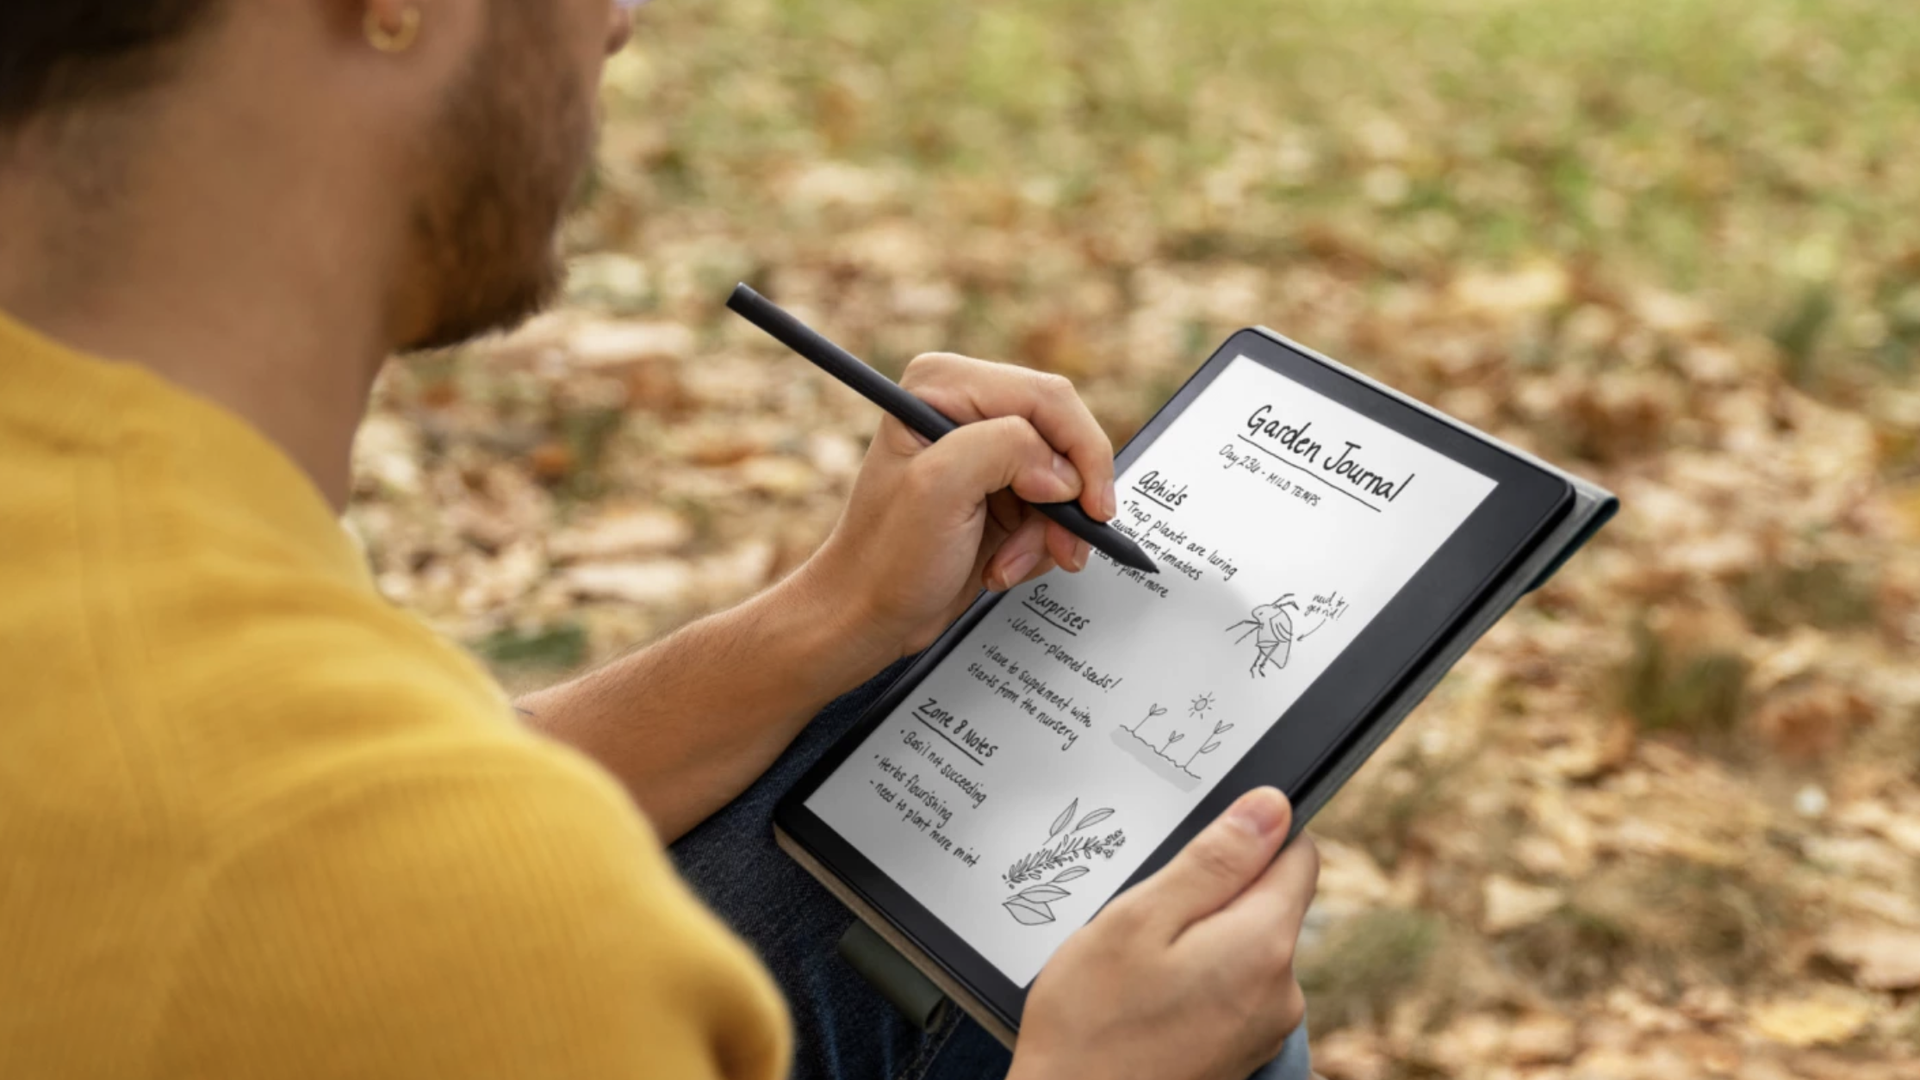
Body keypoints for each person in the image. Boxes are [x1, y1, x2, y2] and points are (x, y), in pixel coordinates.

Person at [0, 3, 1320, 1078]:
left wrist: (830, 622)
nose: (621, 23)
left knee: (875, 823)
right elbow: (367, 853)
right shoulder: (462, 925)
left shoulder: (109, 556)